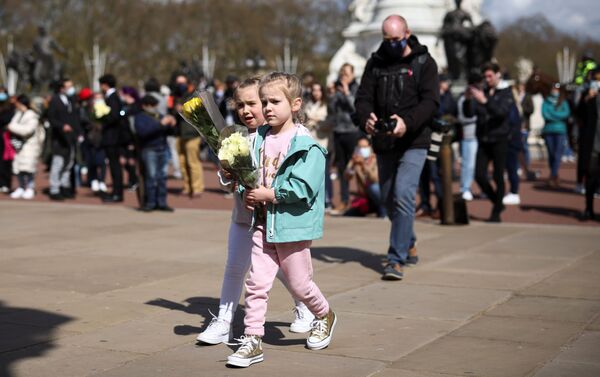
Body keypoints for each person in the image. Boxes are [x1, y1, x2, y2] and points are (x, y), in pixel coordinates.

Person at [227, 72, 336, 368]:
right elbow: (248, 175)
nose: (268, 108)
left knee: (300, 286)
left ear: (296, 104)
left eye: (275, 101)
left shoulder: (306, 145)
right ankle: (252, 339)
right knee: (256, 284)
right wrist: (240, 185)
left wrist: (269, 194)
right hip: (263, 224)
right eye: (264, 102)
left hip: (291, 226)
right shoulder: (258, 139)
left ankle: (324, 314)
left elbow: (304, 187)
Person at [197, 76, 314, 346]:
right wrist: (227, 174)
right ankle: (224, 321)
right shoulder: (235, 136)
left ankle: (305, 306)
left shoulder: (283, 136)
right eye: (240, 105)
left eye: (253, 103)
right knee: (235, 268)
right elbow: (229, 183)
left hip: (276, 220)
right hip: (243, 217)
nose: (246, 110)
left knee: (287, 270)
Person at [355, 15, 439, 280]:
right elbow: (363, 98)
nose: (392, 44)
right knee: (390, 199)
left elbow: (430, 102)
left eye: (396, 39)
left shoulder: (424, 61)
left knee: (403, 194)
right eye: (387, 39)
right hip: (384, 141)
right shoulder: (375, 63)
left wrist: (407, 122)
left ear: (407, 33)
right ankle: (408, 240)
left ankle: (395, 259)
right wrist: (365, 117)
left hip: (414, 140)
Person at [465, 62, 514, 222]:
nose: (487, 79)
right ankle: (497, 201)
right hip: (484, 139)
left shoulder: (506, 92)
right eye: (485, 76)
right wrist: (468, 99)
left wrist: (485, 101)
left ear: (498, 74)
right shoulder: (483, 91)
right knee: (479, 175)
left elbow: (501, 113)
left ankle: (496, 213)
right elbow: (469, 114)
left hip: (500, 139)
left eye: (490, 76)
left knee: (498, 176)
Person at [133, 95, 177, 212]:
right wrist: (160, 124)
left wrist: (172, 124)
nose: (154, 108)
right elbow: (143, 132)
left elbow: (170, 132)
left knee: (162, 177)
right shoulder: (140, 117)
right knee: (151, 177)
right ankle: (150, 202)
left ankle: (162, 202)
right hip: (149, 149)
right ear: (144, 106)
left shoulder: (159, 116)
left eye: (155, 105)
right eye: (151, 105)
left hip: (162, 148)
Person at [329, 63, 361, 211]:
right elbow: (332, 107)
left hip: (353, 131)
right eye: (342, 75)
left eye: (347, 75)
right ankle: (344, 200)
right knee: (342, 168)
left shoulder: (356, 87)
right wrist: (334, 94)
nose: (344, 78)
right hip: (339, 131)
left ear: (353, 75)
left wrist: (347, 92)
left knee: (356, 166)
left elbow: (355, 107)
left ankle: (363, 201)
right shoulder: (337, 88)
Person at [47, 78, 80, 201]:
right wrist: (62, 126)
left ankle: (64, 186)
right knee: (58, 163)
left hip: (70, 138)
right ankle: (54, 189)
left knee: (68, 163)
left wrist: (78, 132)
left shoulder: (71, 100)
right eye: (68, 86)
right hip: (59, 139)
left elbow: (75, 118)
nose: (71, 88)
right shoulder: (55, 100)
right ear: (62, 88)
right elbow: (51, 118)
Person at [7, 94, 44, 199]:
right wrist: (13, 127)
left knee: (29, 168)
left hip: (30, 146)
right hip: (18, 145)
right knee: (18, 168)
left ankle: (30, 187)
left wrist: (12, 127)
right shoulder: (18, 114)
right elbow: (12, 124)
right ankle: (21, 187)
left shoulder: (32, 115)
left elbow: (27, 130)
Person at [305, 82, 333, 210]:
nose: (316, 92)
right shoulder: (308, 105)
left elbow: (330, 123)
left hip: (323, 143)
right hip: (310, 143)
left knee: (324, 173)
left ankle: (327, 200)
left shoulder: (327, 106)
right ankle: (314, 198)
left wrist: (317, 121)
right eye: (314, 90)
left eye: (318, 90)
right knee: (311, 173)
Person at [343, 137, 386, 217]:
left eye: (364, 147)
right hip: (364, 196)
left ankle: (383, 211)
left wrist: (364, 165)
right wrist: (351, 165)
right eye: (360, 147)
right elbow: (347, 177)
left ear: (369, 147)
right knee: (349, 214)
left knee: (373, 187)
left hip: (377, 194)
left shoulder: (375, 159)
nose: (362, 149)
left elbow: (374, 179)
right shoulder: (356, 160)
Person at [99, 73, 125, 202]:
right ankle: (116, 191)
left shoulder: (113, 97)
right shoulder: (113, 97)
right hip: (112, 136)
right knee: (114, 166)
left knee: (115, 166)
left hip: (113, 137)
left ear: (105, 85)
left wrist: (102, 116)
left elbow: (114, 116)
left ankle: (117, 193)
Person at [457, 72, 481, 201]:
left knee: (480, 165)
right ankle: (465, 188)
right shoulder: (463, 99)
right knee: (468, 164)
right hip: (469, 136)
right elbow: (462, 117)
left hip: (480, 135)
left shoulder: (481, 97)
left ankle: (482, 188)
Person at [541, 83, 571, 188]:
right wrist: (557, 116)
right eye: (553, 88)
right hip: (549, 130)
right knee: (551, 154)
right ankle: (554, 174)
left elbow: (566, 113)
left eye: (556, 88)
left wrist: (553, 115)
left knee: (557, 153)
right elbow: (545, 114)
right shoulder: (546, 101)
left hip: (560, 130)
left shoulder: (563, 101)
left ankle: (553, 175)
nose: (554, 90)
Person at [0, 89, 15, 193]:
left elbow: (7, 120)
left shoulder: (10, 107)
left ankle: (5, 183)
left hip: (6, 138)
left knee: (5, 162)